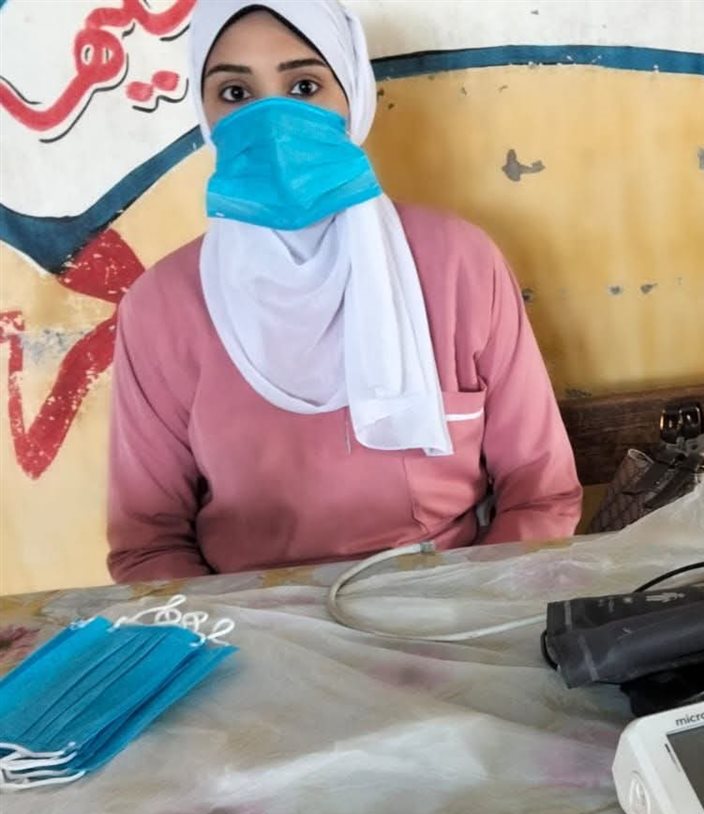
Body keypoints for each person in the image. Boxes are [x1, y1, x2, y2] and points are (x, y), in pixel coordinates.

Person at [107, 0, 582, 582]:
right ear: (204, 115)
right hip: (251, 621)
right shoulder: (161, 306)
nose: (272, 121)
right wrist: (248, 629)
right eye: (235, 93)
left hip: (452, 606)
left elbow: (540, 494)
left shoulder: (457, 263)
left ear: (354, 95)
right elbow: (148, 544)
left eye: (304, 86)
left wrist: (471, 608)